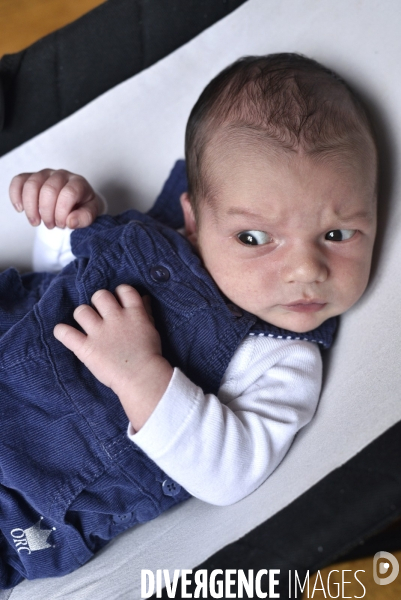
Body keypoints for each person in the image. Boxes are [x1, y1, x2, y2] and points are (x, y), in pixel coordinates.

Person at [1, 53, 377, 587]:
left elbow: (230, 473)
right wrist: (65, 220)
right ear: (195, 220)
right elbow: (52, 288)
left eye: (338, 235)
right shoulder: (163, 233)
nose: (304, 270)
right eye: (254, 238)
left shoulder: (281, 355)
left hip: (25, 493)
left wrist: (141, 375)